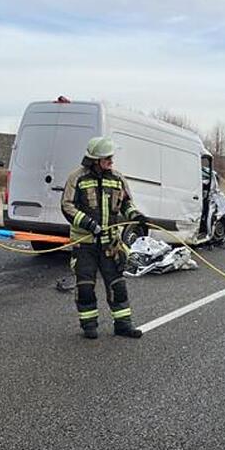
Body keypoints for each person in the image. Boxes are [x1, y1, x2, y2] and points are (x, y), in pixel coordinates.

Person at [61, 136, 147, 340]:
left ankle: (123, 325)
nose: (111, 161)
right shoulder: (77, 178)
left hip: (111, 244)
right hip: (85, 244)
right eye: (107, 158)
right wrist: (89, 225)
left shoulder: (117, 178)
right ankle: (89, 326)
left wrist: (136, 216)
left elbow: (126, 203)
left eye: (111, 157)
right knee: (85, 287)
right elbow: (67, 206)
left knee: (117, 285)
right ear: (95, 159)